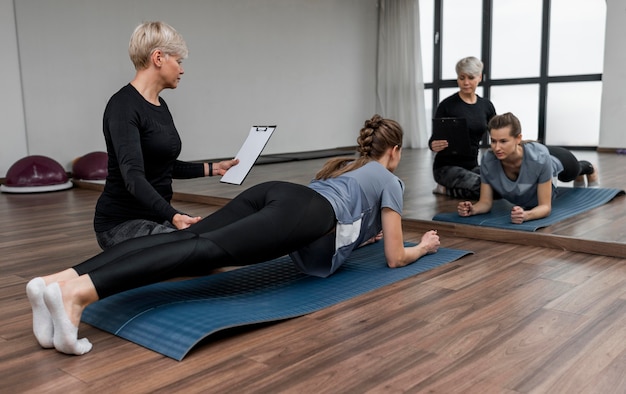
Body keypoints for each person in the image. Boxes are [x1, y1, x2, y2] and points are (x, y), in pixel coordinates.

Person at [26, 114, 441, 355]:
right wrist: (421, 248)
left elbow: (352, 225)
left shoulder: (348, 168)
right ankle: (77, 296)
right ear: (395, 153)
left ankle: (56, 282)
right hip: (304, 213)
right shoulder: (390, 180)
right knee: (204, 251)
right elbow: (393, 256)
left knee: (184, 239)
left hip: (277, 193)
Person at [94, 21, 239, 250]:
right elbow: (133, 177)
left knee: (211, 242)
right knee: (197, 250)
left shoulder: (160, 105)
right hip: (121, 224)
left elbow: (162, 165)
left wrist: (215, 168)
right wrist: (173, 216)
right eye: (179, 62)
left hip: (155, 217)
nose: (181, 70)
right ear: (158, 58)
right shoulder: (123, 106)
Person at [457, 112, 599, 224]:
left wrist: (526, 215)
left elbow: (545, 207)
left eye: (503, 141)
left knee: (571, 174)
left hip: (557, 159)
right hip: (532, 154)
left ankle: (588, 168)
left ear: (518, 138)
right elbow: (485, 203)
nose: (497, 147)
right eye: (493, 141)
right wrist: (473, 209)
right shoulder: (489, 159)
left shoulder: (539, 159)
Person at [429, 56, 496, 199]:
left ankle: (451, 190)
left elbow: (498, 133)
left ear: (479, 77)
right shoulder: (447, 105)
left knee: (498, 184)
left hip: (471, 166)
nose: (466, 82)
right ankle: (445, 190)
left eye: (471, 78)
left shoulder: (486, 106)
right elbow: (434, 138)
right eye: (461, 78)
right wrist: (433, 144)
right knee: (484, 188)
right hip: (446, 168)